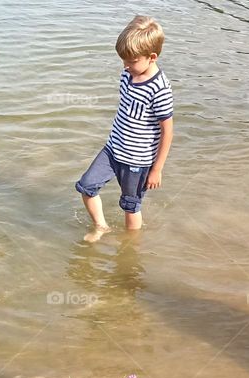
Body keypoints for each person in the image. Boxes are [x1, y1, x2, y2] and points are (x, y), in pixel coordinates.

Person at [75, 15, 173, 241]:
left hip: (138, 160)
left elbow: (167, 131)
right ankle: (101, 227)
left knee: (131, 205)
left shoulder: (159, 89)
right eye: (124, 60)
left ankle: (130, 247)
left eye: (131, 61)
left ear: (152, 57)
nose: (125, 66)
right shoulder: (128, 75)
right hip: (112, 149)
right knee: (86, 186)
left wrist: (157, 169)